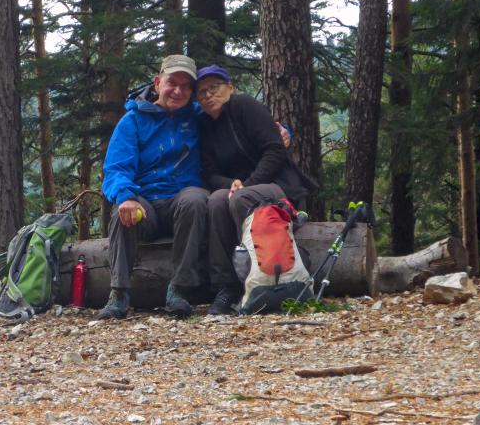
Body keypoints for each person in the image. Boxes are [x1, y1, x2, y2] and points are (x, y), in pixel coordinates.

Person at [196, 64, 317, 315]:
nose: (208, 95)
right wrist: (230, 185)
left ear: (230, 87)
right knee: (217, 201)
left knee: (241, 199)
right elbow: (209, 173)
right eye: (202, 92)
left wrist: (246, 185)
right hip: (238, 191)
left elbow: (274, 149)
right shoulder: (205, 126)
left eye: (214, 87)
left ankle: (260, 278)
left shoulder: (245, 107)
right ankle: (227, 286)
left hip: (278, 186)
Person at [96, 54, 210, 320]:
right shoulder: (133, 121)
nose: (178, 90)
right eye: (172, 83)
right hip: (145, 202)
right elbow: (116, 168)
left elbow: (240, 122)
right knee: (121, 212)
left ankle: (179, 290)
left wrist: (280, 130)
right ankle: (119, 294)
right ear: (158, 83)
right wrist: (125, 196)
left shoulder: (199, 118)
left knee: (195, 199)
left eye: (185, 86)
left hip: (181, 201)